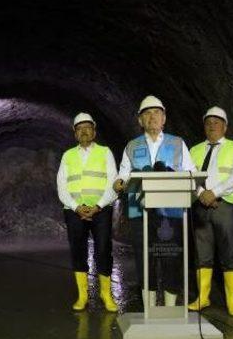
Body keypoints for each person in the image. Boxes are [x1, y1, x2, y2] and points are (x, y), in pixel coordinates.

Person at [113, 95, 196, 307]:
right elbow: (122, 173)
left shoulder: (178, 143)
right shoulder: (132, 146)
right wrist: (119, 182)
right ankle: (149, 308)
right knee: (144, 260)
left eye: (157, 112)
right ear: (140, 120)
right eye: (147, 113)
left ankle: (169, 308)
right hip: (139, 211)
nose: (152, 117)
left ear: (164, 118)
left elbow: (191, 172)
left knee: (171, 258)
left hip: (171, 212)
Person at [57, 112, 118, 312]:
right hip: (75, 211)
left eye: (87, 127)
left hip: (101, 210)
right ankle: (82, 296)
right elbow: (61, 187)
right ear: (75, 133)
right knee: (78, 251)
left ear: (94, 131)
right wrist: (76, 207)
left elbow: (113, 183)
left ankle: (105, 295)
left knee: (103, 250)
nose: (84, 131)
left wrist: (98, 206)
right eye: (79, 128)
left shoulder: (105, 152)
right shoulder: (68, 155)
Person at [188, 106, 233, 317]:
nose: (212, 126)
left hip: (226, 204)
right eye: (208, 122)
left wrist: (215, 193)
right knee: (202, 252)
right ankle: (203, 296)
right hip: (200, 205)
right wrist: (202, 193)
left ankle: (231, 299)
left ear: (225, 126)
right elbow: (189, 175)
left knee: (229, 252)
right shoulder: (194, 150)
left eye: (217, 122)